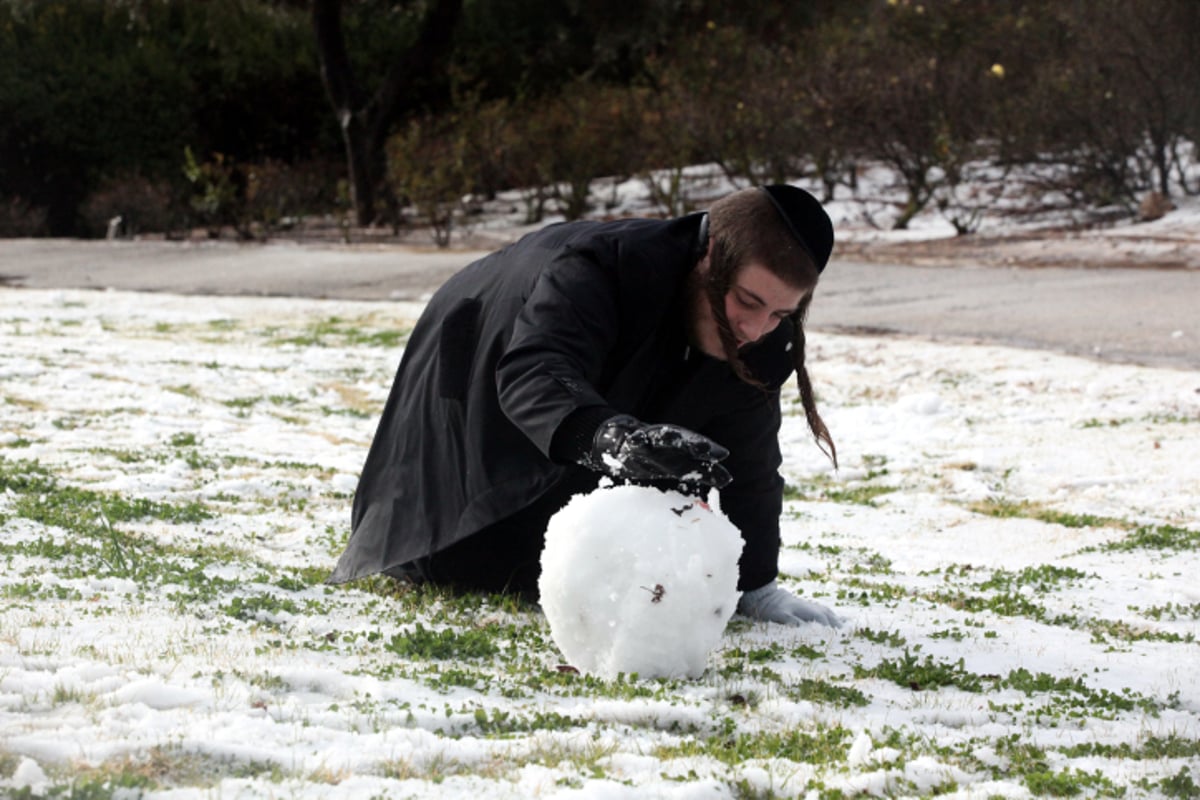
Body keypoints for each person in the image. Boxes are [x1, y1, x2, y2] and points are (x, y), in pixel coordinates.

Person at [329, 185, 842, 628]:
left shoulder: (766, 333)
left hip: (586, 398)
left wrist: (755, 587)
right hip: (476, 379)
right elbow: (534, 373)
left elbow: (749, 461)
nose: (756, 328)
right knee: (475, 561)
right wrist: (612, 440)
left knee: (593, 566)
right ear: (709, 256)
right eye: (748, 302)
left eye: (781, 312)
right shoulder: (603, 268)